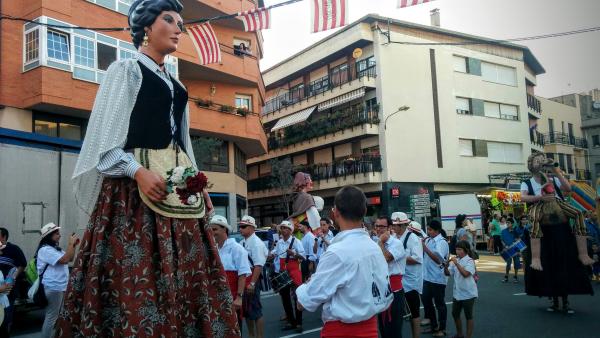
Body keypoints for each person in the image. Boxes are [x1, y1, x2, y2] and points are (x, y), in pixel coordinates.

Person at [57, 1, 240, 336]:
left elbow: (182, 143)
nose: (178, 28)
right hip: (133, 194)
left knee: (189, 271)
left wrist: (200, 189)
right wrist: (137, 172)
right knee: (136, 270)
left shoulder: (178, 86)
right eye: (169, 20)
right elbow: (105, 144)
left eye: (180, 23)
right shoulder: (125, 71)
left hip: (179, 194)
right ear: (145, 28)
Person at [296, 186, 392, 338]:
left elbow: (304, 302)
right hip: (371, 329)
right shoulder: (374, 247)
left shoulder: (337, 252)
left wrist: (309, 283)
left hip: (341, 332)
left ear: (335, 213)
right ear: (365, 211)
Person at [521, 152, 593, 314]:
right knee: (533, 221)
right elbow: (523, 198)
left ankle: (582, 254)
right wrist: (539, 196)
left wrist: (556, 170)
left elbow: (568, 189)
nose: (541, 162)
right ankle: (536, 258)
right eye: (537, 160)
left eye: (542, 160)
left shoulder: (553, 179)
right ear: (531, 165)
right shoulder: (527, 183)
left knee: (579, 214)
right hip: (542, 218)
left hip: (559, 217)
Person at [36, 223, 79, 338]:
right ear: (48, 236)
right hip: (53, 287)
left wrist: (73, 245)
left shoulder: (54, 249)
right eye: (56, 234)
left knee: (56, 316)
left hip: (59, 286)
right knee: (51, 317)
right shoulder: (45, 250)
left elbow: (70, 258)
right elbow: (65, 260)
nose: (59, 236)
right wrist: (70, 243)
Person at [210, 215, 251, 334]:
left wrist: (239, 297)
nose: (212, 233)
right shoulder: (215, 248)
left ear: (224, 229)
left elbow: (242, 274)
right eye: (211, 230)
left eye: (215, 229)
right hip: (218, 295)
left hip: (232, 295)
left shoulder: (237, 248)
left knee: (235, 329)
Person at [269, 220, 305, 333]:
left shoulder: (297, 242)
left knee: (297, 297)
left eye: (285, 228)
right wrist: (271, 255)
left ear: (290, 230)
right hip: (283, 272)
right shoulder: (279, 243)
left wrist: (294, 254)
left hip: (294, 271)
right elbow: (275, 253)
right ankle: (291, 321)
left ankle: (299, 322)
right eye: (282, 227)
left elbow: (303, 257)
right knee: (285, 298)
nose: (283, 229)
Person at [375, 215, 407, 338]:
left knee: (393, 329)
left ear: (389, 228)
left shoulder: (396, 243)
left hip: (395, 290)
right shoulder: (376, 241)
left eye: (382, 226)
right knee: (383, 328)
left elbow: (386, 259)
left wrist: (380, 243)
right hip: (382, 290)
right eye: (377, 226)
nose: (378, 229)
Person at [395, 216, 424, 338]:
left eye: (395, 225)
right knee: (403, 314)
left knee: (414, 313)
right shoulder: (396, 238)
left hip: (411, 282)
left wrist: (399, 258)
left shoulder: (412, 238)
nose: (393, 227)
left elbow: (418, 259)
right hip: (400, 281)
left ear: (402, 226)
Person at [239, 215, 268, 338]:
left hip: (252, 278)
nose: (240, 229)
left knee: (255, 310)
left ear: (251, 227)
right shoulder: (242, 242)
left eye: (243, 226)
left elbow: (258, 265)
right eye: (240, 226)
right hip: (245, 277)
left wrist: (252, 283)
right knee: (246, 310)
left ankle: (259, 336)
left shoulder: (256, 243)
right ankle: (251, 335)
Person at [421, 220, 449, 337]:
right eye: (428, 229)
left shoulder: (441, 242)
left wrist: (425, 248)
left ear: (437, 231)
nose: (428, 231)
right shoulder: (429, 240)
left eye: (431, 230)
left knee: (440, 304)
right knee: (426, 301)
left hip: (438, 278)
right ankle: (433, 326)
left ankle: (442, 328)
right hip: (427, 277)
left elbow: (439, 259)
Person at [444, 241, 478, 338]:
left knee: (468, 316)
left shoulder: (470, 261)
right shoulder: (456, 260)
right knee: (455, 313)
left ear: (466, 250)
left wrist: (457, 264)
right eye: (456, 249)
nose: (457, 251)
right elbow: (448, 273)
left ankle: (468, 336)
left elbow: (466, 274)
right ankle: (459, 334)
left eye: (460, 249)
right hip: (457, 293)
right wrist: (446, 265)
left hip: (468, 293)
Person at [0, 227, 27, 336]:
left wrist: (13, 277)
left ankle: (6, 330)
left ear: (4, 237)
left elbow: (22, 264)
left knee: (6, 315)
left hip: (8, 288)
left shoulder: (14, 249)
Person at [500, 218, 523, 283]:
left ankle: (515, 276)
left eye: (509, 223)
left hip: (515, 249)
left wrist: (519, 249)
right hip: (507, 249)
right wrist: (505, 245)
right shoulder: (503, 231)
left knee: (516, 263)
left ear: (512, 224)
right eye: (507, 223)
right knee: (508, 264)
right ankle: (506, 276)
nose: (507, 224)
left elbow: (519, 240)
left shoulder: (515, 231)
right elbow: (501, 240)